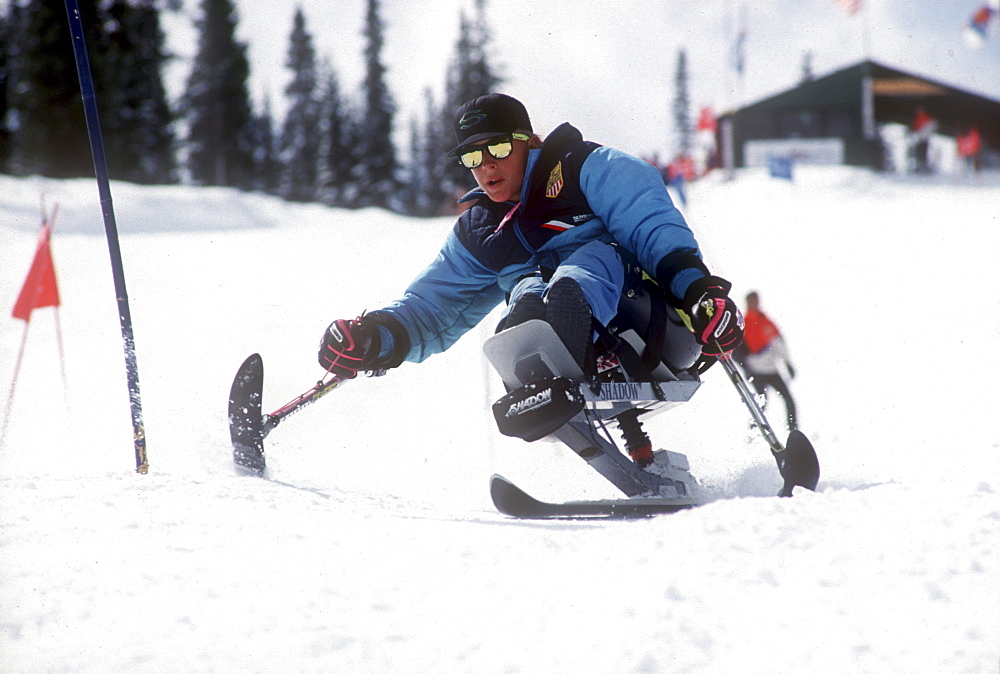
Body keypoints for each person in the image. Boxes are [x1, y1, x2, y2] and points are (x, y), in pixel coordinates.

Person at [317, 93, 743, 429]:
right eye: (471, 157)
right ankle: (534, 358)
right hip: (575, 348)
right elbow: (433, 309)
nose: (485, 167)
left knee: (588, 260)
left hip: (655, 329)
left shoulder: (585, 169)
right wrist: (375, 338)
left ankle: (559, 318)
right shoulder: (483, 230)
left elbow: (654, 231)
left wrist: (700, 293)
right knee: (527, 285)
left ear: (528, 140)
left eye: (497, 148)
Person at [736, 291, 797, 431]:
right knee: (761, 402)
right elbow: (737, 352)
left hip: (771, 370)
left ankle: (793, 430)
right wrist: (745, 367)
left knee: (786, 400)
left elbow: (778, 344)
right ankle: (754, 431)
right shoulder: (744, 323)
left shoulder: (764, 320)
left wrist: (787, 363)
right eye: (752, 301)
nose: (754, 304)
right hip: (756, 371)